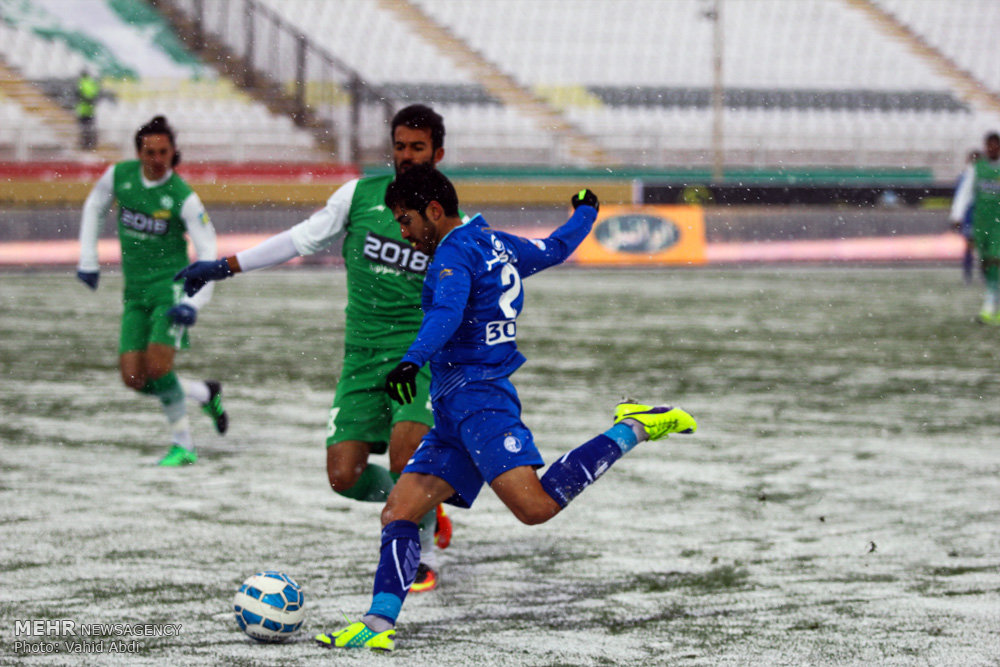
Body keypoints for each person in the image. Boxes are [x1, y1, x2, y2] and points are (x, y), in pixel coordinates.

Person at [311, 165, 697, 652]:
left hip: (480, 399)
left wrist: (410, 361)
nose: (403, 234)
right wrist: (585, 213)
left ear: (433, 211)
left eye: (405, 221)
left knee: (534, 507)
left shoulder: (452, 253)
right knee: (399, 511)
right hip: (455, 405)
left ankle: (633, 428)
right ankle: (377, 622)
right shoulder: (493, 242)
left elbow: (447, 313)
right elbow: (556, 248)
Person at [175, 104, 454, 591]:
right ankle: (427, 502)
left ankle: (422, 551)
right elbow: (299, 240)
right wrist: (225, 266)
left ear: (438, 153)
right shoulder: (359, 196)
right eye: (400, 146)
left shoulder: (447, 218)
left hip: (419, 357)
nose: (407, 156)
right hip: (362, 356)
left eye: (418, 148)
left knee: (405, 451)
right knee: (343, 474)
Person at [76, 115, 228, 466]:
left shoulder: (182, 196)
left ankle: (184, 446)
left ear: (174, 153)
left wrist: (195, 302)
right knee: (133, 377)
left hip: (170, 291)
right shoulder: (120, 177)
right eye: (150, 151)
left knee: (159, 367)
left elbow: (208, 249)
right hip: (135, 292)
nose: (157, 158)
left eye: (163, 151)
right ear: (139, 153)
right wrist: (88, 260)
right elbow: (94, 207)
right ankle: (205, 393)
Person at [951, 132, 1000, 322]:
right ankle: (993, 304)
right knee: (986, 263)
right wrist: (956, 215)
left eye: (995, 145)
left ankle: (989, 305)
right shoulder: (976, 169)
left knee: (996, 259)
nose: (992, 148)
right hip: (982, 222)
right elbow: (965, 193)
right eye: (989, 145)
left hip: (998, 223)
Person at [952, 149, 981, 284]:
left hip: (978, 214)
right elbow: (960, 198)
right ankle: (971, 274)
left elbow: (959, 198)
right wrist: (957, 216)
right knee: (974, 245)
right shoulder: (966, 176)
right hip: (972, 214)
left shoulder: (980, 175)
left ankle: (972, 274)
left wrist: (956, 216)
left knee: (976, 246)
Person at [76, 70, 100, 150]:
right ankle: (90, 144)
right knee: (89, 128)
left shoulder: (82, 83)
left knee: (84, 128)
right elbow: (94, 94)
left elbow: (81, 94)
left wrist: (87, 99)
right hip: (90, 109)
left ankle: (86, 144)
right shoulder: (92, 83)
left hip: (84, 109)